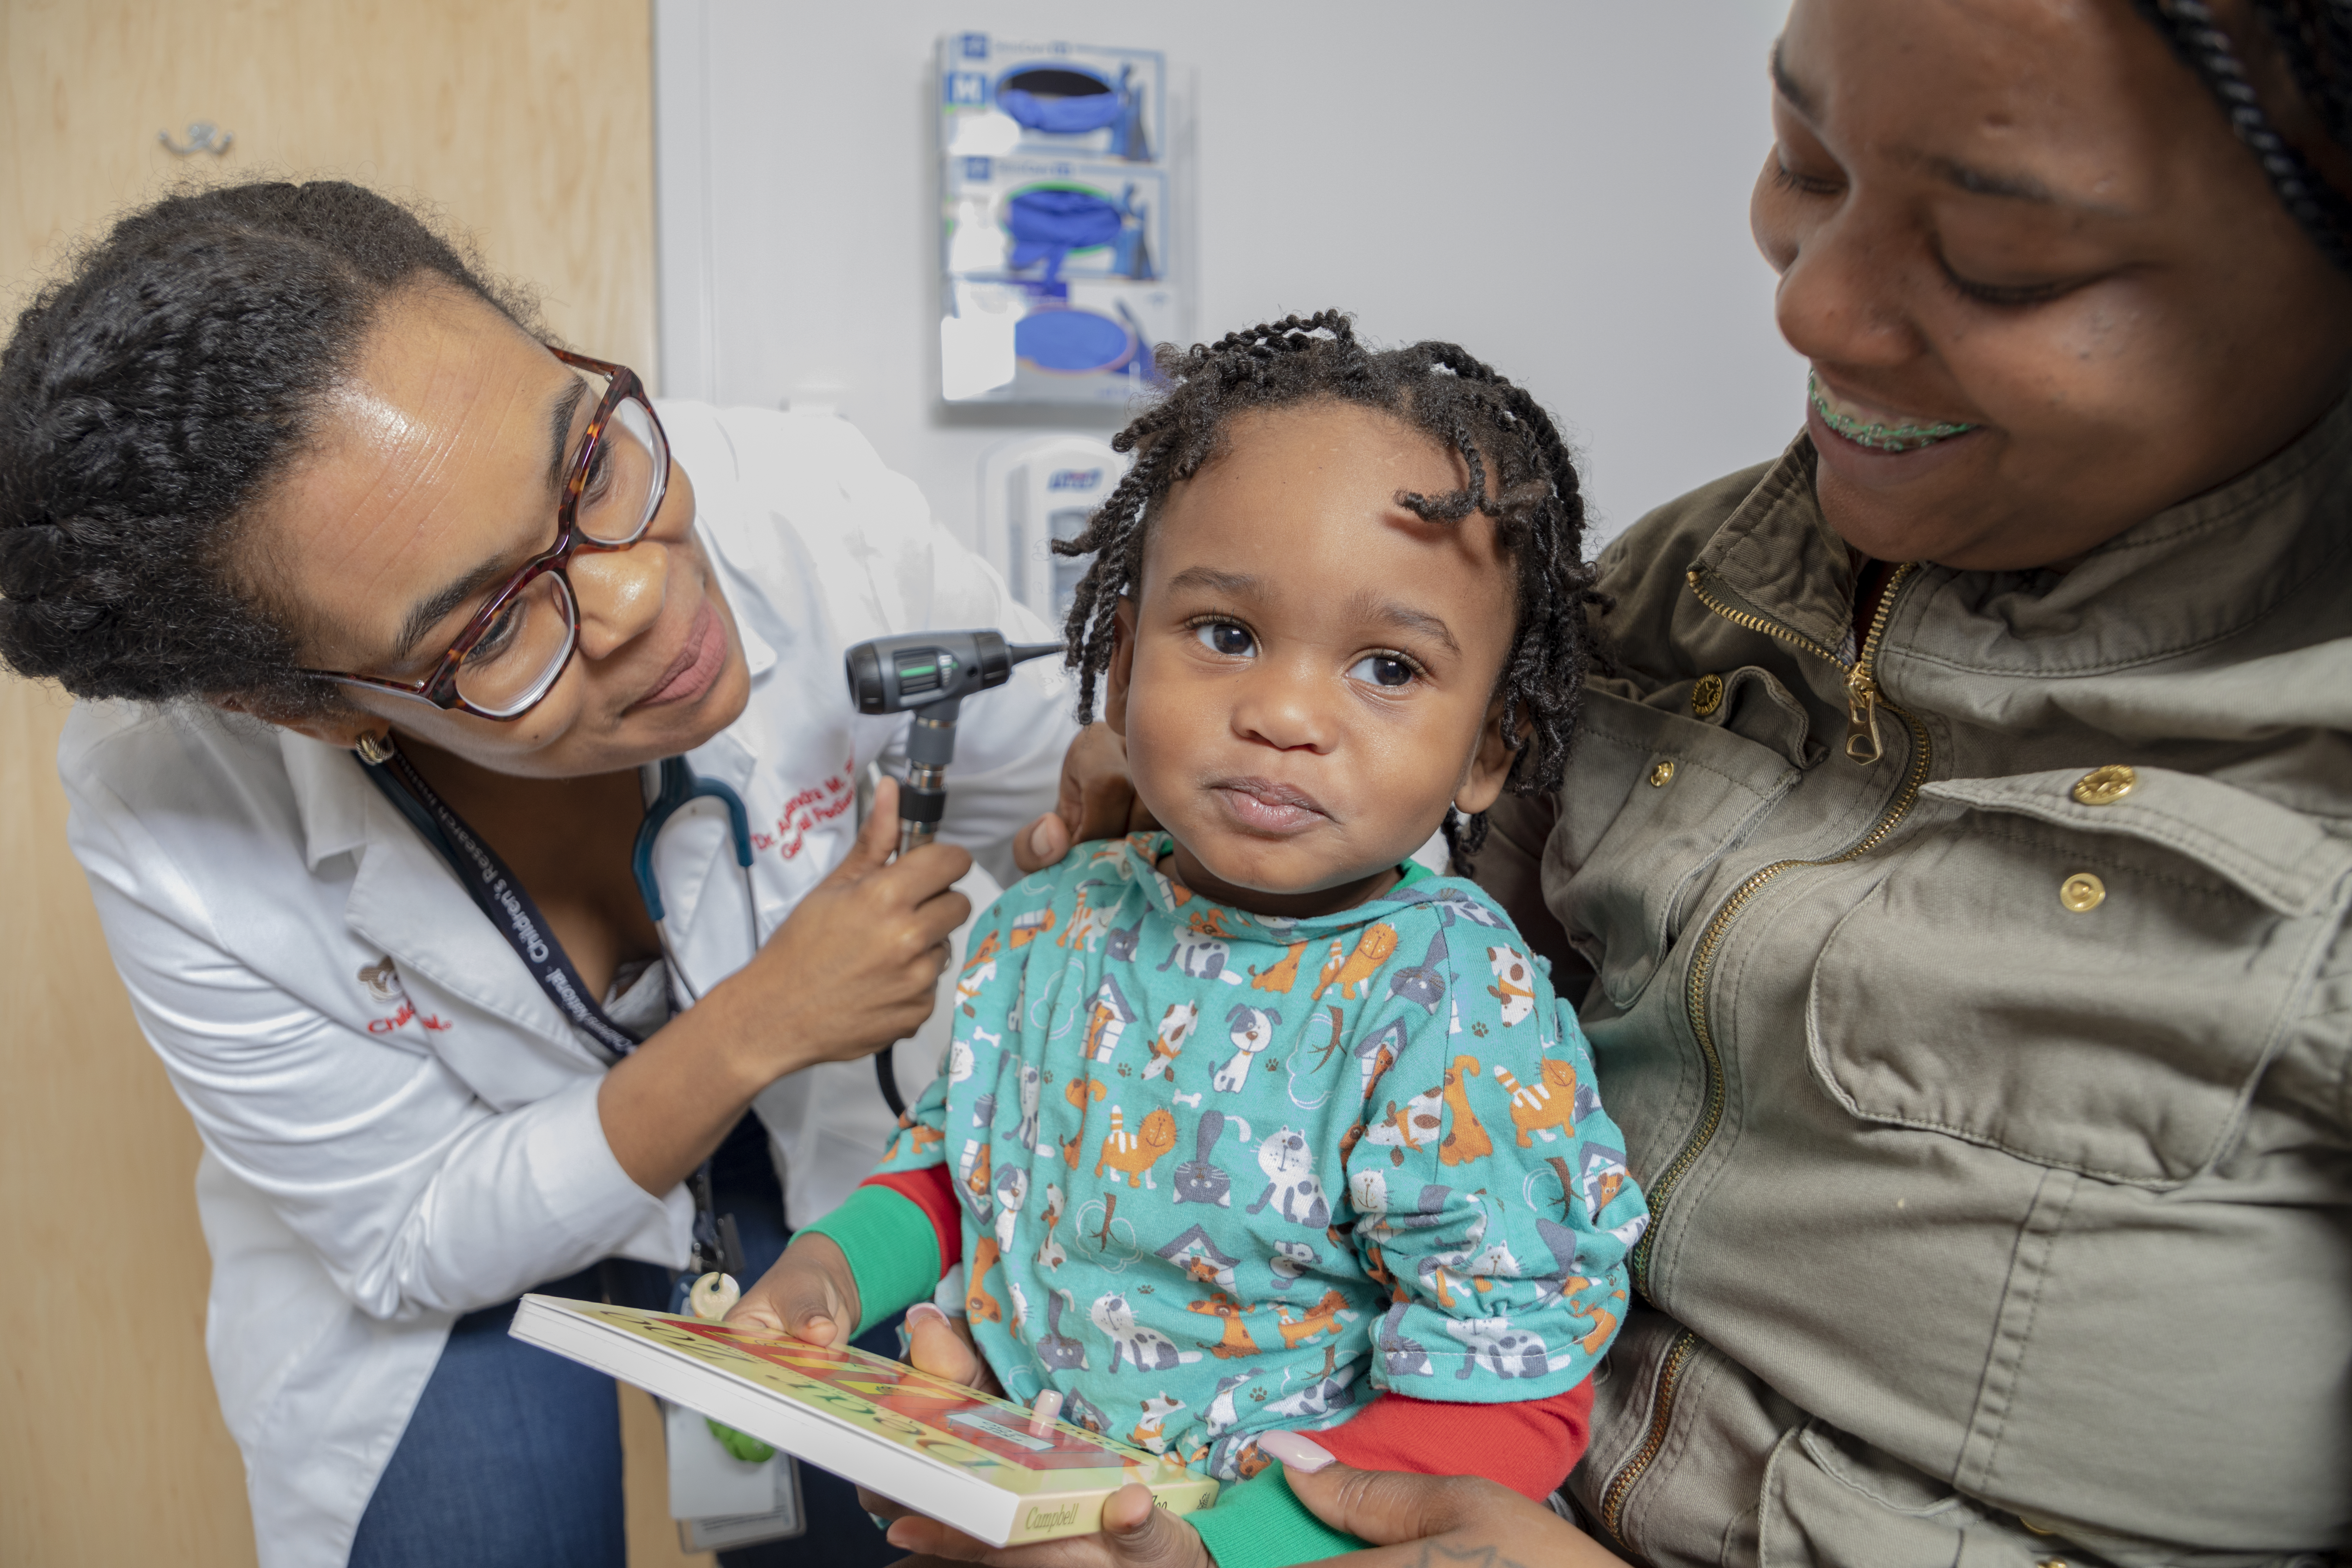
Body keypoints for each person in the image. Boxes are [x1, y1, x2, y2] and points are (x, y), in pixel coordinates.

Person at [875, 2, 2352, 1563]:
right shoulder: (1665, 596)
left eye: (2000, 259)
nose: (1818, 310)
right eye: (1803, 160)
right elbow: (1334, 1044)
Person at [0, 181, 1141, 1568]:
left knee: (900, 1523)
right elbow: (412, 1228)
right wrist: (758, 1023)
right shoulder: (165, 806)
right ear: (315, 710)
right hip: (450, 1230)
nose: (643, 598)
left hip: (831, 1133)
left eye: (587, 459)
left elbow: (1066, 786)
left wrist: (1136, 808)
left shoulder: (811, 512)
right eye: (489, 623)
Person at [731, 315, 1648, 1568]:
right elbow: (966, 1164)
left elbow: (1509, 1387)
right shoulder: (1056, 922)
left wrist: (1236, 1555)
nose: (1280, 713)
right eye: (1225, 634)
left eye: (1386, 666)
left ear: (1489, 750)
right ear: (1118, 670)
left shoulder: (1452, 1005)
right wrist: (836, 1273)